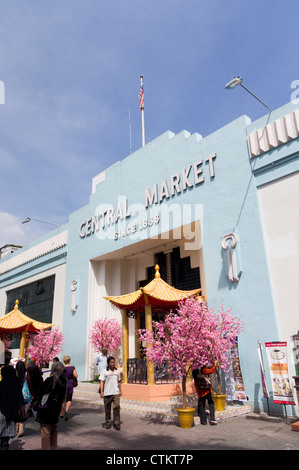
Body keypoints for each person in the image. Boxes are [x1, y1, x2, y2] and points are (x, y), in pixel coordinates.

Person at [35, 361, 67, 450]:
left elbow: (40, 393)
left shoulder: (49, 380)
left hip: (45, 411)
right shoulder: (64, 382)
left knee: (45, 434)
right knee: (53, 432)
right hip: (55, 412)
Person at [0, 362, 25, 450]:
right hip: (10, 415)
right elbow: (20, 400)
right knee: (5, 439)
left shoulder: (2, 384)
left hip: (1, 412)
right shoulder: (16, 384)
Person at [100, 356, 122, 430]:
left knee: (117, 407)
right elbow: (101, 381)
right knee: (107, 409)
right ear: (108, 363)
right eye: (111, 362)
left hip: (115, 393)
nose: (113, 364)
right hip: (107, 393)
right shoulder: (104, 372)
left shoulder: (117, 371)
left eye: (113, 362)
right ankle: (108, 422)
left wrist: (120, 390)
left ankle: (116, 423)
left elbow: (119, 381)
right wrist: (101, 391)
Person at [193, 361, 218, 425]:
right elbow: (211, 371)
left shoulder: (194, 371)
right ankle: (212, 419)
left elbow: (195, 383)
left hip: (200, 391)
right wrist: (215, 364)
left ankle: (203, 421)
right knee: (211, 403)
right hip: (207, 390)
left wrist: (198, 390)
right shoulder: (203, 370)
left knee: (202, 405)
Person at [60, 355, 78, 421]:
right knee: (69, 398)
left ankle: (61, 413)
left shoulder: (61, 368)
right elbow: (76, 375)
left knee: (62, 399)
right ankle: (67, 410)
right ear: (69, 360)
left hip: (63, 383)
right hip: (70, 383)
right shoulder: (72, 368)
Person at [15, 360, 30, 438]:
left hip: (16, 397)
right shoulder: (26, 376)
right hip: (24, 397)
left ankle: (17, 430)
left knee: (17, 413)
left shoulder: (15, 376)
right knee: (23, 412)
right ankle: (21, 430)